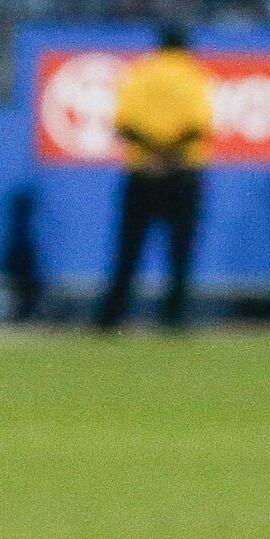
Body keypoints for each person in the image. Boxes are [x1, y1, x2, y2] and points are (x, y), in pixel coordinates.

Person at [100, 23, 215, 332]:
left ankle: (112, 316)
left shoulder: (141, 72)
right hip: (182, 172)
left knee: (129, 248)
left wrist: (151, 154)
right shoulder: (192, 74)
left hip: (142, 172)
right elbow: (198, 126)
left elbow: (123, 124)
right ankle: (173, 318)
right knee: (180, 251)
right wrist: (169, 155)